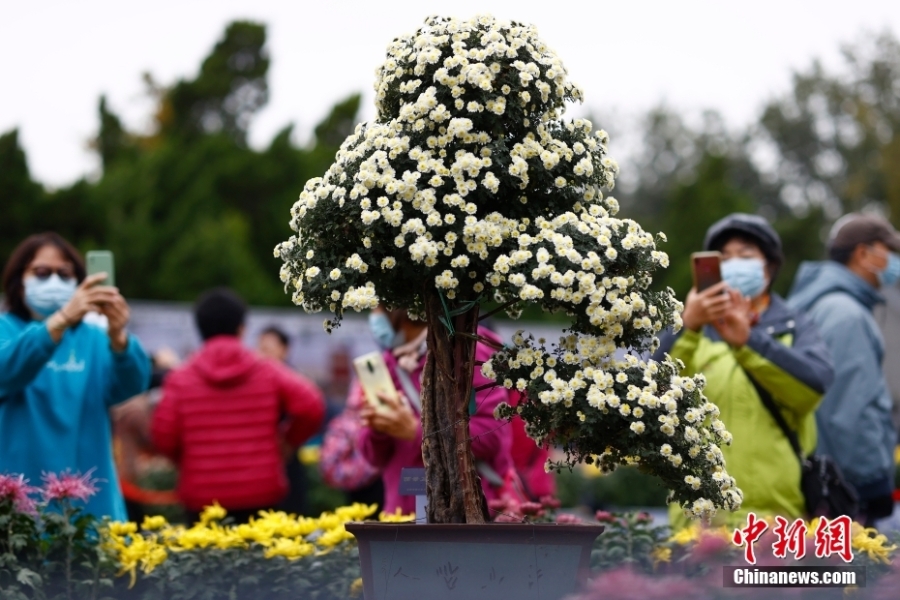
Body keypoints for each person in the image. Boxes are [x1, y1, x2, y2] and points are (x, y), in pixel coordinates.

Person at [654, 214, 833, 529]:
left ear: (770, 266)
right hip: (697, 523)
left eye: (746, 256)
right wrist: (685, 325)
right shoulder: (693, 333)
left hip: (773, 523)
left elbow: (814, 385)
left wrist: (750, 341)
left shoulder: (795, 325)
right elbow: (651, 394)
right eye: (723, 258)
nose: (734, 264)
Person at [0, 232, 151, 520]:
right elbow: (6, 370)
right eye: (41, 273)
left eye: (64, 274)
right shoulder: (5, 330)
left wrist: (119, 338)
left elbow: (132, 384)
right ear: (19, 281)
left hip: (91, 510)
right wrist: (58, 323)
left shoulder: (94, 338)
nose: (54, 282)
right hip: (18, 514)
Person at [151, 288, 325, 524]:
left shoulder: (181, 378)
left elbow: (163, 435)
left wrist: (188, 459)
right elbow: (311, 405)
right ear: (242, 328)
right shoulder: (267, 370)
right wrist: (287, 442)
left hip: (203, 496)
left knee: (205, 560)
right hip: (261, 492)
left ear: (200, 329)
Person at [788, 213, 900, 526]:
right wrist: (871, 482)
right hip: (844, 490)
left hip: (821, 481)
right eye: (889, 253)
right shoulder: (846, 314)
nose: (895, 263)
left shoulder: (820, 303)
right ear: (864, 254)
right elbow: (851, 409)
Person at [358, 309, 513, 515]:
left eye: (379, 305)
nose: (374, 314)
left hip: (464, 516)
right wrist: (379, 428)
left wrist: (417, 432)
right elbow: (373, 458)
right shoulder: (387, 364)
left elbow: (491, 435)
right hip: (401, 516)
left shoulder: (468, 352)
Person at [256, 325, 311, 516]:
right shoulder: (256, 380)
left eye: (268, 349)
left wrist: (288, 441)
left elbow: (310, 412)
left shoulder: (294, 381)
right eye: (260, 349)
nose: (263, 354)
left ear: (284, 350)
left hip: (287, 457)